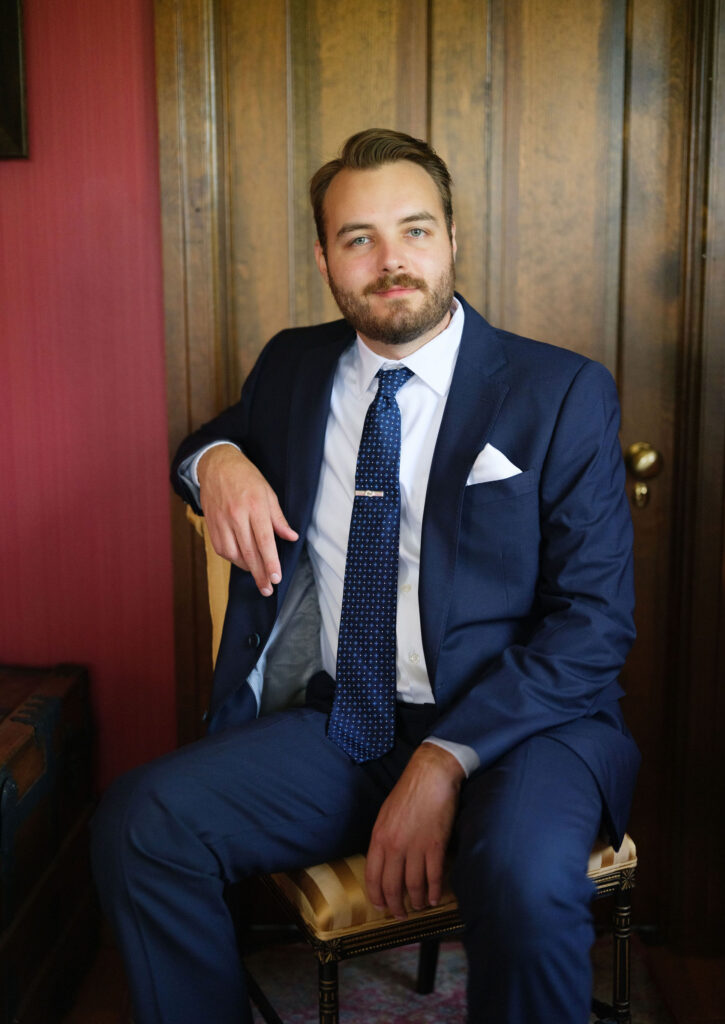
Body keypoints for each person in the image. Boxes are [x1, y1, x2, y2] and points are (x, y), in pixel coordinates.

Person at [91, 128, 640, 1024]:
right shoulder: (295, 368)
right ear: (324, 258)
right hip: (347, 721)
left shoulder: (560, 390)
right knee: (141, 823)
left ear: (453, 238)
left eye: (415, 231)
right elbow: (204, 442)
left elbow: (594, 626)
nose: (392, 262)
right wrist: (217, 459)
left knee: (524, 879)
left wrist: (444, 759)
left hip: (524, 728)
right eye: (359, 239)